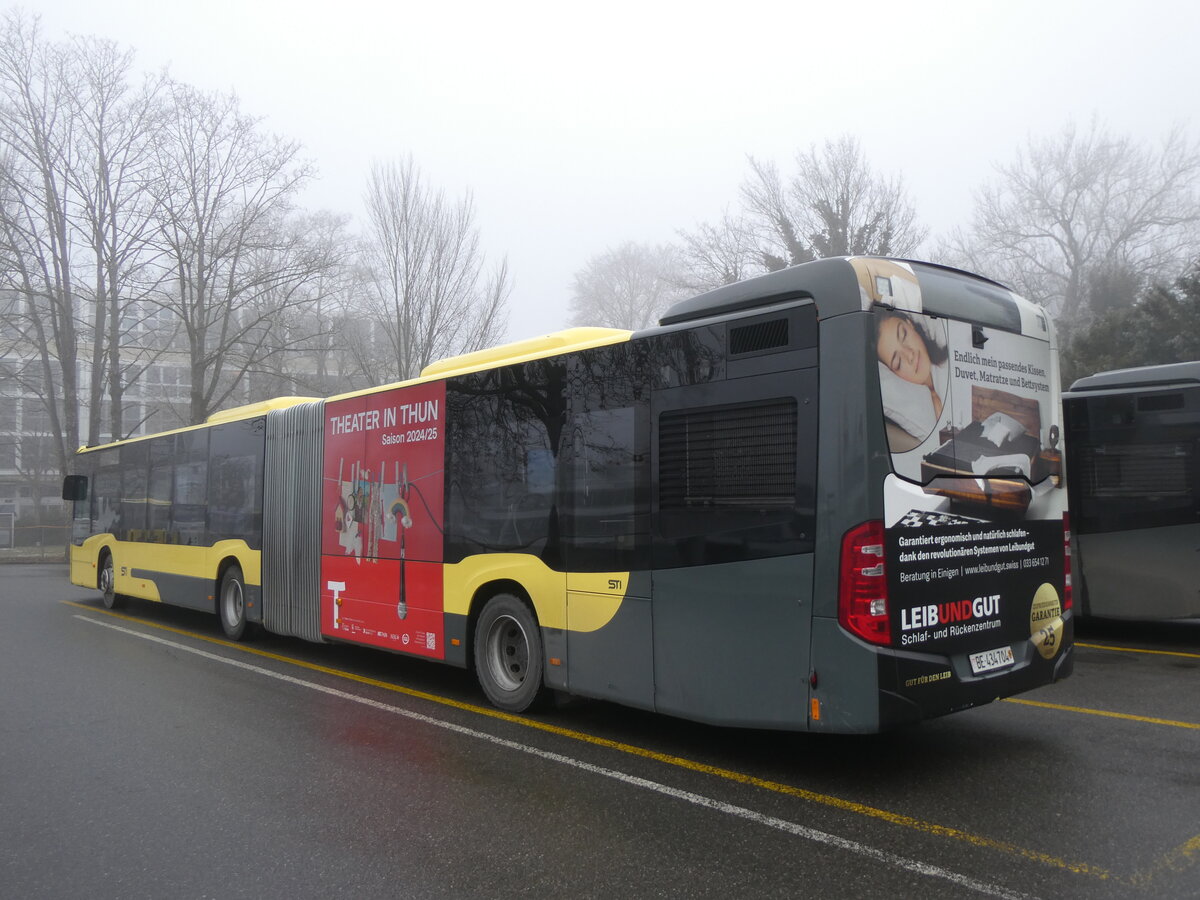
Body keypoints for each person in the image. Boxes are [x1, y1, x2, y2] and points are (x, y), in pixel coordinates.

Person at [875, 309, 949, 442]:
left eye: (904, 335)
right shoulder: (922, 411)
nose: (909, 355)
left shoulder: (952, 360)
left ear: (910, 324)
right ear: (893, 374)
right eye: (898, 362)